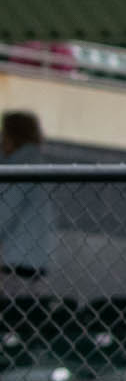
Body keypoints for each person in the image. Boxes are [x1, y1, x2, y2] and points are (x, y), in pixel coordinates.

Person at [0, 111, 54, 296]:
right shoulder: (36, 162)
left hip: (14, 260)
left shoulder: (20, 166)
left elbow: (5, 211)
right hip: (36, 260)